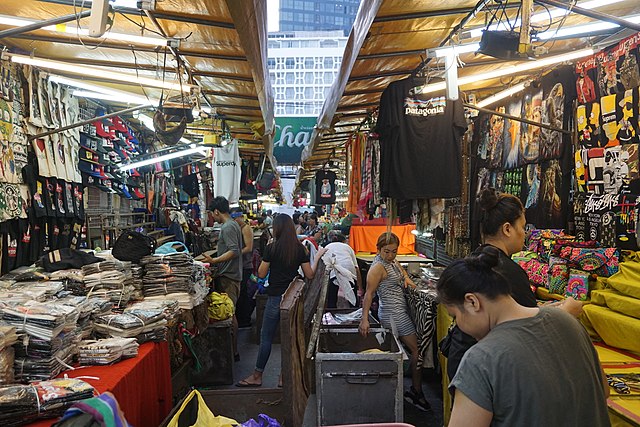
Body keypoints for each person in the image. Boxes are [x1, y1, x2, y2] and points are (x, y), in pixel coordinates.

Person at [437, 246, 610, 427]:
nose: (459, 325)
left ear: (472, 302)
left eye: (455, 316)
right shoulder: (569, 322)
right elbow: (603, 391)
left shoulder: (481, 359)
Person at [445, 188, 583, 384]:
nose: (524, 234)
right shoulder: (507, 272)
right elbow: (531, 326)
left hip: (465, 362)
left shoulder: (475, 259)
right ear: (508, 229)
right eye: (523, 227)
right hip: (482, 371)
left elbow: (521, 313)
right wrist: (566, 313)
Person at [236, 214, 326, 387]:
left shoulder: (272, 248)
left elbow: (261, 274)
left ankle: (257, 375)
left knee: (267, 337)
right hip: (293, 299)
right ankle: (284, 377)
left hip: (275, 298)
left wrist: (267, 256)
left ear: (276, 229)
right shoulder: (300, 249)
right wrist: (318, 257)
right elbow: (310, 275)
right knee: (290, 338)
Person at [358, 232, 430, 412]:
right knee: (415, 351)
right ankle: (416, 391)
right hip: (393, 315)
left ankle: (406, 389)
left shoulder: (392, 262)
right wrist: (364, 319)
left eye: (394, 251)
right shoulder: (377, 268)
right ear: (378, 249)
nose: (390, 255)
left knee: (405, 351)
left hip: (400, 312)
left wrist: (410, 283)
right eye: (386, 251)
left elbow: (403, 275)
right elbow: (369, 294)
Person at [203, 196, 243, 360]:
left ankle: (233, 352)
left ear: (217, 211)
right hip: (231, 275)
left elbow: (234, 251)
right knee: (230, 313)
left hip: (229, 277)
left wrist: (214, 260)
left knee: (229, 314)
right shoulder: (232, 225)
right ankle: (232, 351)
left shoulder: (227, 227)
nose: (213, 217)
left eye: (213, 214)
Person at [322, 230, 362, 308]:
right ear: (344, 241)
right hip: (348, 270)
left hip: (333, 271)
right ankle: (355, 312)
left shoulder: (327, 247)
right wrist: (360, 288)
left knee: (331, 299)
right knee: (352, 299)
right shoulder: (348, 247)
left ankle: (331, 314)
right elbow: (356, 268)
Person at [231, 208, 255, 328]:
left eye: (236, 218)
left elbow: (249, 248)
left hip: (245, 265)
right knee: (242, 292)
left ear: (241, 217)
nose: (235, 220)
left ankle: (245, 320)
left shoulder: (246, 229)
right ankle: (244, 319)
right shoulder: (239, 228)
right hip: (241, 265)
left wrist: (234, 254)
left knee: (243, 293)